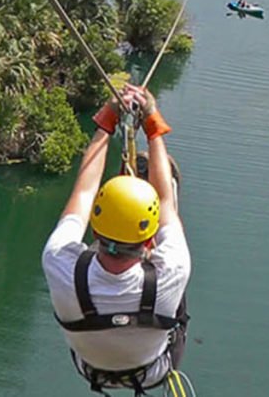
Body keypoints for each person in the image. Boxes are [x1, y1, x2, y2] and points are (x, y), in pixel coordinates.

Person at [44, 84, 190, 396]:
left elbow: (83, 193)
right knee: (172, 225)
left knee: (170, 239)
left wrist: (106, 120)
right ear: (147, 239)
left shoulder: (60, 264)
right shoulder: (172, 270)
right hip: (152, 371)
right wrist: (152, 123)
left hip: (91, 367)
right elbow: (165, 202)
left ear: (95, 229)